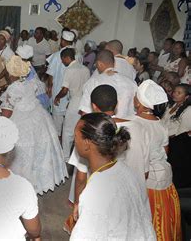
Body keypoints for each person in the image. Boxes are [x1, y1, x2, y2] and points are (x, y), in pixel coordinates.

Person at [64, 84, 152, 234]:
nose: (74, 140)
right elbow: (145, 172)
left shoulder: (94, 193)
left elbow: (80, 179)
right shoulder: (136, 129)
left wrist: (77, 203)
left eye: (76, 138)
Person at [0, 55, 68, 194]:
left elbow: (6, 114)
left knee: (21, 154)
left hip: (21, 122)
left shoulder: (13, 89)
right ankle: (36, 182)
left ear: (11, 73)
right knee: (37, 153)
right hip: (38, 119)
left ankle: (19, 186)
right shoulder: (31, 83)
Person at [134, 80, 181, 241]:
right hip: (165, 175)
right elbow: (165, 151)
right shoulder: (160, 124)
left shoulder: (135, 124)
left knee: (148, 221)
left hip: (148, 181)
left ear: (140, 103)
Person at [54, 48, 90, 161]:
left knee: (68, 130)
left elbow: (65, 90)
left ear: (66, 58)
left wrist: (57, 97)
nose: (62, 62)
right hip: (85, 101)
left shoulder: (69, 70)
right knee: (81, 128)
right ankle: (79, 154)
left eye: (62, 60)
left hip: (75, 101)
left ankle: (65, 157)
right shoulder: (85, 69)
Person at [79, 49, 137, 118]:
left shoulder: (93, 82)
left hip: (103, 126)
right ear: (114, 63)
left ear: (99, 64)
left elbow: (85, 113)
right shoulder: (132, 83)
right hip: (127, 127)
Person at [46, 29, 77, 135]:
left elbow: (51, 74)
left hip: (59, 91)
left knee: (57, 122)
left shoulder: (57, 55)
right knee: (69, 125)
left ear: (62, 41)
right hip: (73, 94)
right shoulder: (78, 56)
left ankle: (57, 142)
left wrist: (49, 88)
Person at [162, 84, 191, 188]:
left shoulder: (188, 110)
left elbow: (182, 131)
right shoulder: (172, 106)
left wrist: (169, 138)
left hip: (177, 143)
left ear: (186, 96)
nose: (175, 94)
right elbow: (163, 122)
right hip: (166, 139)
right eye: (174, 92)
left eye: (179, 93)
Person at [16, 45, 50, 111]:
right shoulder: (26, 65)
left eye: (16, 56)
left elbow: (22, 82)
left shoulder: (26, 68)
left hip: (36, 95)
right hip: (34, 92)